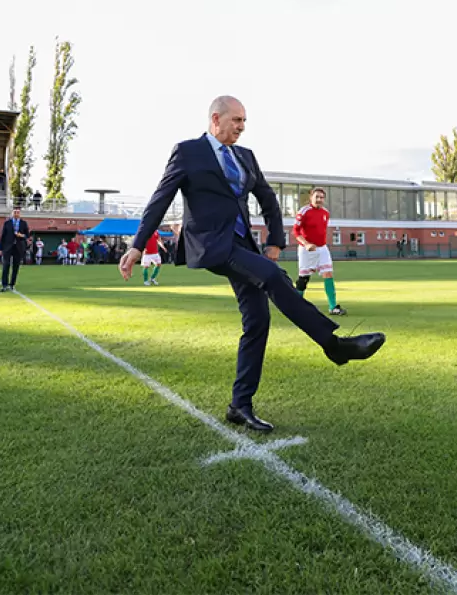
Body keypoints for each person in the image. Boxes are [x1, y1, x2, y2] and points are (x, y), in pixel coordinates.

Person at [120, 95, 385, 433]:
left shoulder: (245, 156)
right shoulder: (188, 152)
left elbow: (268, 199)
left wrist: (275, 240)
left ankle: (239, 405)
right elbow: (161, 198)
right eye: (236, 120)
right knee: (273, 276)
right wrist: (137, 245)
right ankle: (334, 345)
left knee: (258, 319)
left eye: (244, 120)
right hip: (212, 245)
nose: (242, 127)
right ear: (216, 119)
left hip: (244, 244)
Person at [293, 187, 346, 316]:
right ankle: (295, 306)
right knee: (304, 278)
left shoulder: (325, 213)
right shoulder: (304, 211)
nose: (319, 199)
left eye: (322, 197)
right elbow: (295, 231)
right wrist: (306, 244)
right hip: (306, 249)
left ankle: (333, 307)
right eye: (317, 197)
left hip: (322, 248)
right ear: (311, 197)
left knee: (328, 274)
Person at [0, 207, 29, 292]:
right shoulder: (7, 223)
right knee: (6, 265)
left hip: (18, 247)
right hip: (7, 247)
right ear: (12, 213)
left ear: (20, 214)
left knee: (16, 266)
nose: (16, 214)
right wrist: (0, 248)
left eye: (18, 212)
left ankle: (12, 284)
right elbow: (3, 236)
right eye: (15, 212)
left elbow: (27, 235)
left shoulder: (23, 223)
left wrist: (21, 235)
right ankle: (4, 285)